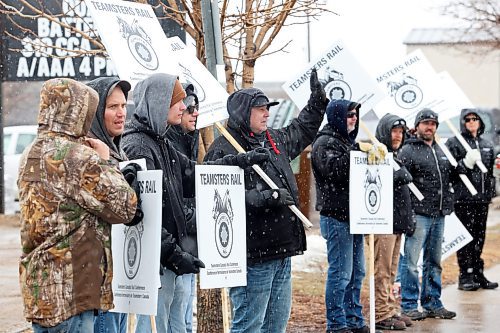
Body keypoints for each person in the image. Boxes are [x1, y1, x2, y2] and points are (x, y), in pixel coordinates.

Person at [121, 73, 269, 333]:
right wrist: (173, 255)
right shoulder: (138, 146)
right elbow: (144, 216)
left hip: (172, 256)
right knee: (155, 327)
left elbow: (195, 174)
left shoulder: (160, 142)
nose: (183, 107)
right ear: (158, 102)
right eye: (177, 101)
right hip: (157, 262)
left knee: (178, 325)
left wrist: (239, 161)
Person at [204, 68, 328, 333]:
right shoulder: (224, 149)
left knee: (275, 325)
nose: (266, 113)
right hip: (253, 255)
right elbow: (213, 199)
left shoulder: (274, 140)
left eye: (267, 108)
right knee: (249, 325)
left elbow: (302, 128)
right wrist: (265, 197)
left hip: (283, 249)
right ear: (242, 113)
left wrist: (317, 102)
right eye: (260, 109)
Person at [17, 78, 139, 332]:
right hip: (73, 293)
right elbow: (125, 207)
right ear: (76, 111)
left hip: (40, 291)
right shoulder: (78, 156)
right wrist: (105, 161)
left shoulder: (30, 152)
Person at [311, 99, 386, 333]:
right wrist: (357, 152)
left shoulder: (346, 141)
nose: (353, 118)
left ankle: (353, 319)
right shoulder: (325, 142)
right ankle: (336, 323)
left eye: (355, 115)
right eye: (348, 115)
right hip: (336, 217)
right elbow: (334, 171)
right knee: (341, 273)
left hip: (355, 216)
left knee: (357, 272)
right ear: (336, 117)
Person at [398, 109, 457, 321]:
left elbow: (450, 177)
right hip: (419, 214)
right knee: (412, 263)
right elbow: (402, 184)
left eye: (433, 123)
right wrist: (409, 211)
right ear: (417, 126)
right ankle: (409, 305)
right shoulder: (408, 150)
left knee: (434, 261)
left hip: (439, 214)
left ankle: (433, 302)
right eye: (425, 123)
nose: (429, 127)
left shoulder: (442, 149)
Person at [86, 76, 133, 333]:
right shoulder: (90, 152)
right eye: (113, 107)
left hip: (121, 276)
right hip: (100, 281)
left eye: (124, 106)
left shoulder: (118, 150)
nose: (121, 113)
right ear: (94, 112)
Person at [445, 109, 498, 291]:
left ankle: (477, 272)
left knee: (479, 237)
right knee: (466, 238)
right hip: (464, 199)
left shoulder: (486, 144)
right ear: (463, 123)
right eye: (467, 119)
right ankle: (465, 274)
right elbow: (450, 172)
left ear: (480, 122)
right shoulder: (455, 143)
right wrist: (465, 164)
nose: (471, 122)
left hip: (482, 200)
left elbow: (490, 171)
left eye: (475, 119)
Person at [373, 114, 416, 331]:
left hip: (397, 223)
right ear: (384, 131)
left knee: (391, 270)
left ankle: (390, 308)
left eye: (401, 131)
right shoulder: (377, 155)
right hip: (383, 223)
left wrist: (408, 219)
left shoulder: (395, 156)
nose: (398, 135)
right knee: (381, 270)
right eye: (394, 131)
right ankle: (380, 313)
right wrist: (392, 177)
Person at [165, 83, 200, 333]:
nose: (194, 113)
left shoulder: (190, 139)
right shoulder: (168, 143)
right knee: (174, 311)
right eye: (189, 108)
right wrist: (192, 218)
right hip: (173, 244)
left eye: (196, 108)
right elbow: (172, 198)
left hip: (188, 239)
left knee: (186, 308)